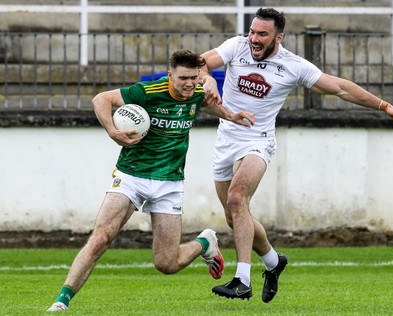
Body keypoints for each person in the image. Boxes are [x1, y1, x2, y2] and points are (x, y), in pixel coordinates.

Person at [199, 7, 393, 303]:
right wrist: (206, 78)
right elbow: (199, 63)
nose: (254, 38)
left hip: (258, 142)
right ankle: (274, 262)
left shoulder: (293, 66)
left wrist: (385, 106)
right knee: (235, 217)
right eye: (252, 31)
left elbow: (340, 88)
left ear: (278, 37)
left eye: (262, 34)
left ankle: (242, 279)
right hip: (226, 138)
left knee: (238, 199)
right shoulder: (237, 46)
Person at [47, 49, 255, 312]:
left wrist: (231, 115)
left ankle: (204, 243)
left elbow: (208, 104)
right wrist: (112, 131)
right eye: (183, 78)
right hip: (132, 174)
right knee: (101, 237)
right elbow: (101, 99)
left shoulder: (197, 93)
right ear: (170, 75)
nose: (189, 84)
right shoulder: (147, 91)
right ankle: (62, 300)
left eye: (194, 78)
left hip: (169, 183)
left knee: (166, 264)